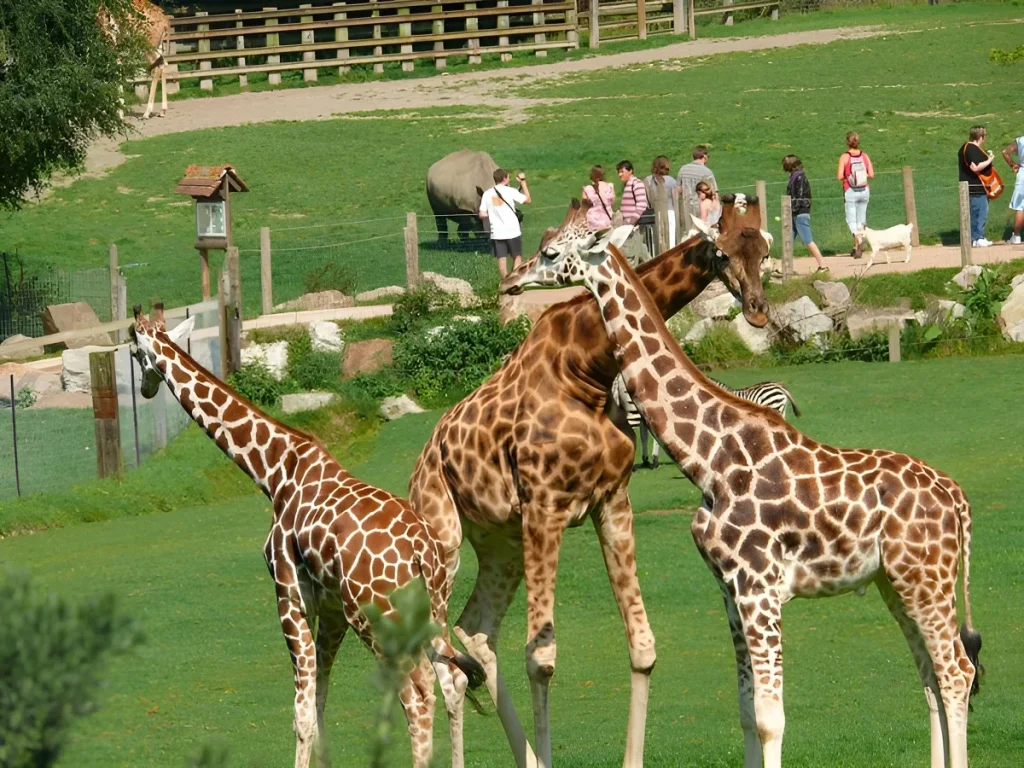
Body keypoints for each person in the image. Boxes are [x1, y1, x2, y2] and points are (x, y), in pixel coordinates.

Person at [478, 167, 531, 277]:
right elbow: (527, 200)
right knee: (517, 256)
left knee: (501, 259)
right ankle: (514, 280)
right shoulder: (510, 191)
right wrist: (523, 182)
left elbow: (481, 214)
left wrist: (491, 214)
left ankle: (505, 281)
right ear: (505, 179)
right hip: (513, 231)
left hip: (497, 232)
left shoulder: (487, 194)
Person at [783, 154, 827, 273]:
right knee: (788, 240)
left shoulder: (800, 178)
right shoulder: (794, 177)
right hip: (795, 213)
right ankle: (783, 268)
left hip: (800, 213)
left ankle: (823, 266)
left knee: (808, 240)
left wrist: (791, 208)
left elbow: (801, 197)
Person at [836, 131, 874, 257]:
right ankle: (857, 246)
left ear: (847, 142)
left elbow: (840, 176)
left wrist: (850, 177)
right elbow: (872, 175)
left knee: (851, 219)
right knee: (861, 219)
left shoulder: (845, 157)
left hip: (850, 190)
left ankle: (858, 240)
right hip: (864, 190)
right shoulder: (865, 156)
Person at [959, 125, 994, 248]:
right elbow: (975, 167)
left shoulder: (967, 148)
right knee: (980, 212)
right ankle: (978, 237)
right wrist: (989, 160)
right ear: (980, 137)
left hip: (973, 185)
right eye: (985, 135)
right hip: (977, 186)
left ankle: (974, 238)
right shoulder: (971, 149)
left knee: (975, 212)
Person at [616, 160, 654, 264]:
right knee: (642, 253)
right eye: (619, 172)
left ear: (630, 171)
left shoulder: (636, 184)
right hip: (630, 226)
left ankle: (630, 277)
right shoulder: (628, 184)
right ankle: (656, 270)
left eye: (622, 171)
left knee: (631, 257)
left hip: (634, 227)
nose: (620, 175)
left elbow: (641, 205)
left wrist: (631, 222)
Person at [644, 155, 677, 243]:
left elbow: (647, 199)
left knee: (659, 241)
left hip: (655, 212)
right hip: (670, 211)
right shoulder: (671, 180)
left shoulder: (648, 180)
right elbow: (676, 199)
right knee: (671, 241)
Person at [1001, 132, 1024, 244]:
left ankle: (1017, 235)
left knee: (1021, 206)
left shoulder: (1021, 140)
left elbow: (1005, 152)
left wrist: (1013, 165)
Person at [582, 165, 616, 232]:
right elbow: (613, 202)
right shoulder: (609, 186)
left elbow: (584, 207)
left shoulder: (587, 189)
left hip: (593, 222)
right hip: (608, 219)